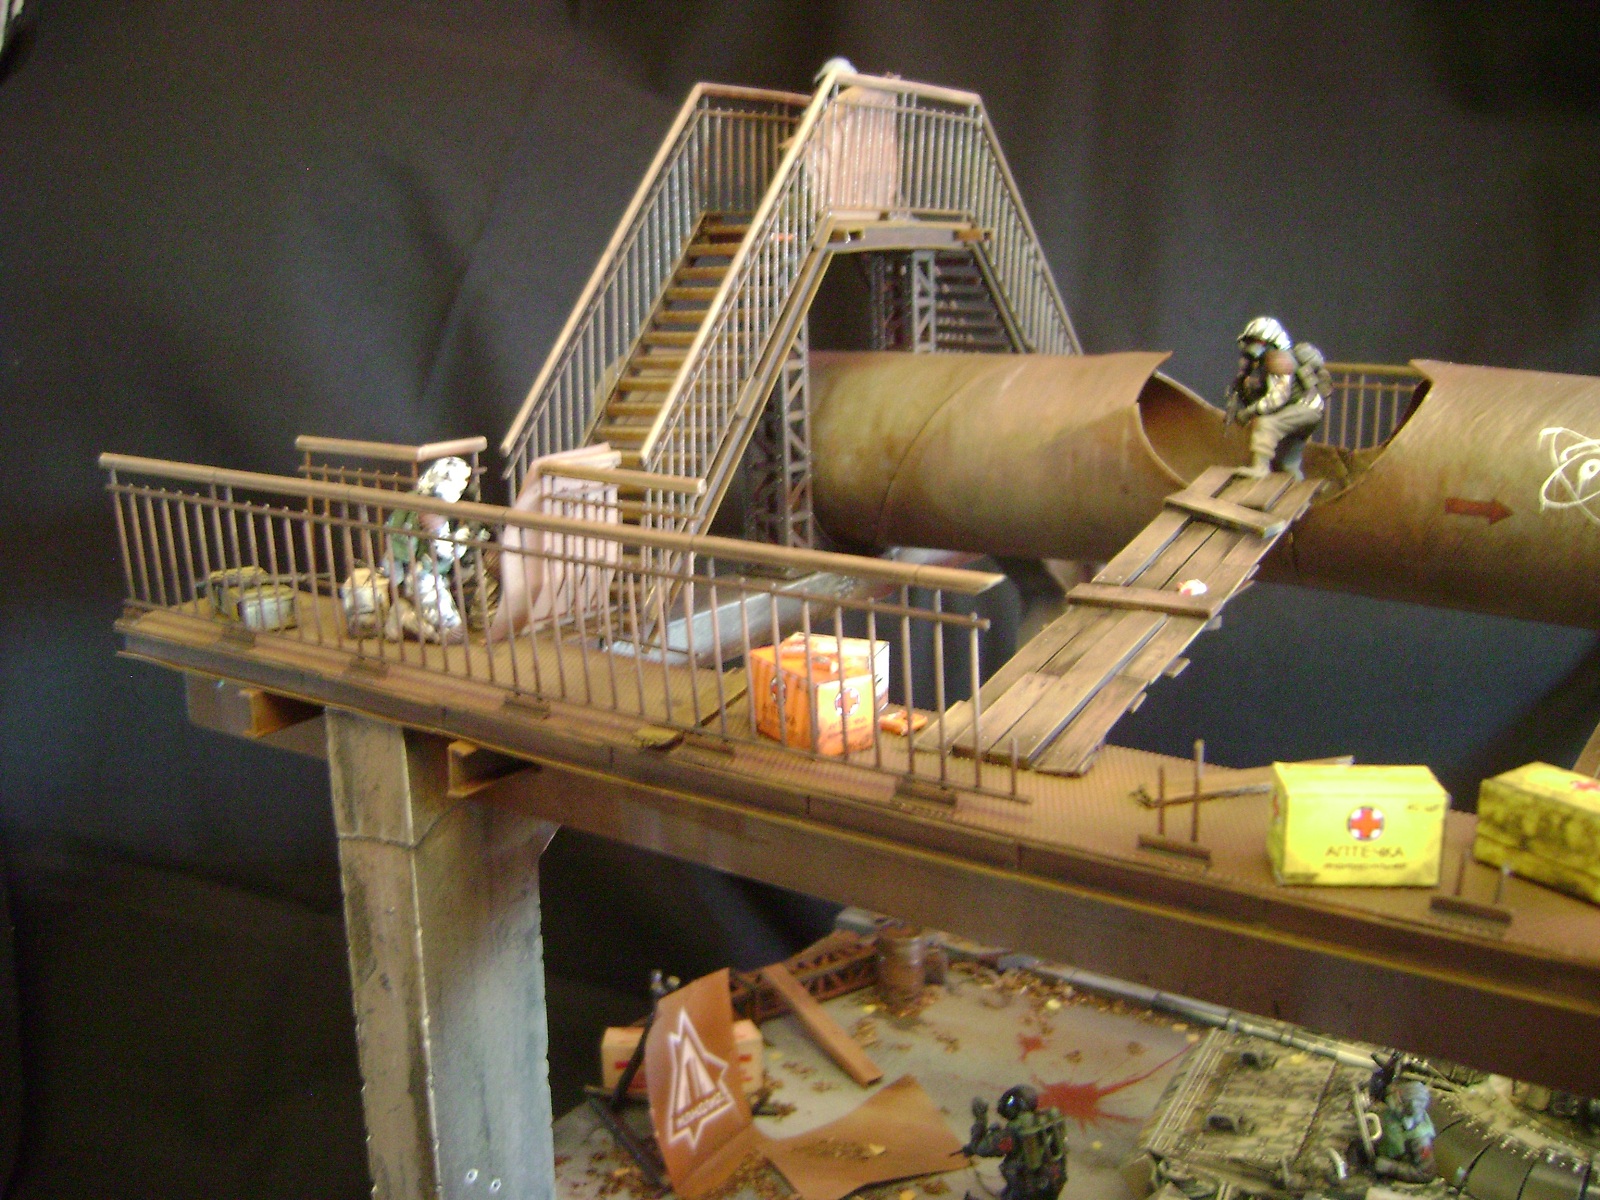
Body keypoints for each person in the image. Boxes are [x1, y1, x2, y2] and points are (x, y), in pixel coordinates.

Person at [1224, 316, 1330, 480]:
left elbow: (1278, 398)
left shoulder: (1279, 360)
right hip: (1308, 409)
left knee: (1267, 424)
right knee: (1287, 463)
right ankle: (1298, 491)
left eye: (1257, 342)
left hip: (1306, 408)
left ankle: (1260, 469)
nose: (1252, 347)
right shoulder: (1269, 360)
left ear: (1271, 341)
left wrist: (1250, 411)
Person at [962, 1085, 1068, 1200]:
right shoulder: (1044, 1122)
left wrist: (980, 1119)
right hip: (1053, 1184)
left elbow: (981, 1148)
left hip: (1028, 1192)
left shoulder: (1015, 1132)